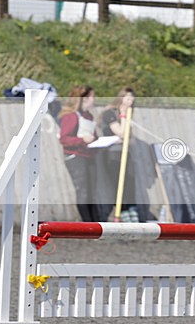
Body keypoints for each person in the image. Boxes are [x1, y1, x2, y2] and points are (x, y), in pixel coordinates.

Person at [59, 85, 99, 222]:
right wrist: (82, 140)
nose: (94, 99)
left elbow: (93, 136)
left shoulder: (88, 116)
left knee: (92, 191)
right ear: (84, 98)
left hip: (89, 156)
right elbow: (64, 139)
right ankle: (87, 222)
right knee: (83, 191)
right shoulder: (71, 116)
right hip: (75, 157)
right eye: (92, 96)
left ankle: (95, 222)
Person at [98, 87, 139, 222]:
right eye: (128, 98)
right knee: (118, 184)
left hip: (126, 152)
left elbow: (130, 138)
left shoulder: (128, 115)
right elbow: (121, 132)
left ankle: (132, 211)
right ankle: (121, 212)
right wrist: (123, 115)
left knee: (130, 183)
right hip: (113, 154)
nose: (130, 102)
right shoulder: (110, 113)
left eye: (132, 99)